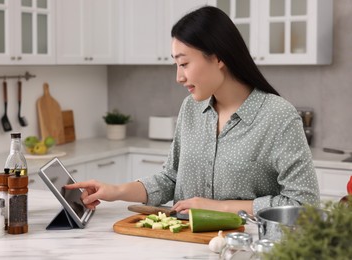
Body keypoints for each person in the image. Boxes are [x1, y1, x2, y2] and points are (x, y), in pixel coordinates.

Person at [66, 6, 319, 215]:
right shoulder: (191, 108)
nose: (179, 77)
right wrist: (115, 191)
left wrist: (218, 208)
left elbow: (303, 206)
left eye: (184, 63)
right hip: (183, 243)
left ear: (218, 58)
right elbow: (170, 178)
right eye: (176, 64)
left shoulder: (278, 116)